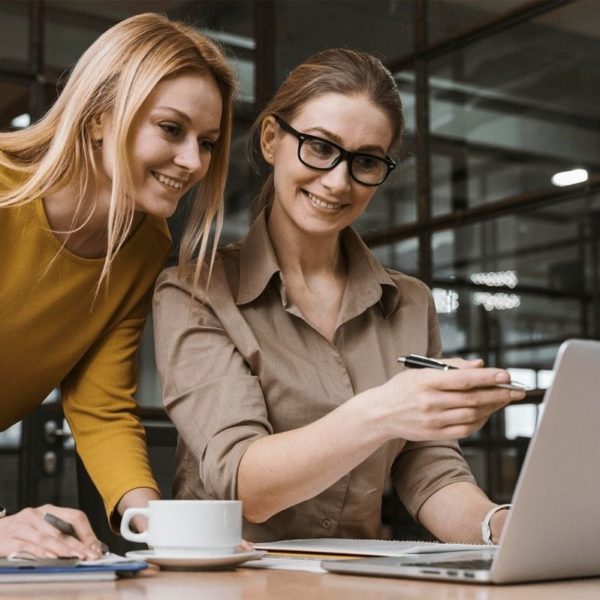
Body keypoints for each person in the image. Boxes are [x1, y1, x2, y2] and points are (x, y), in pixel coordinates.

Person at [152, 48, 525, 544]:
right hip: (228, 581)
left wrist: (502, 530)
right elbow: (244, 482)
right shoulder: (193, 290)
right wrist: (384, 411)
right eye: (320, 147)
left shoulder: (409, 302)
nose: (337, 181)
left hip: (351, 578)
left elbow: (428, 468)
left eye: (366, 161)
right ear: (271, 140)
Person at [0, 12, 235, 559]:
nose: (193, 161)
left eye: (208, 141)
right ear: (101, 116)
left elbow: (101, 407)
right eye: (172, 129)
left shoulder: (145, 245)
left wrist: (163, 531)